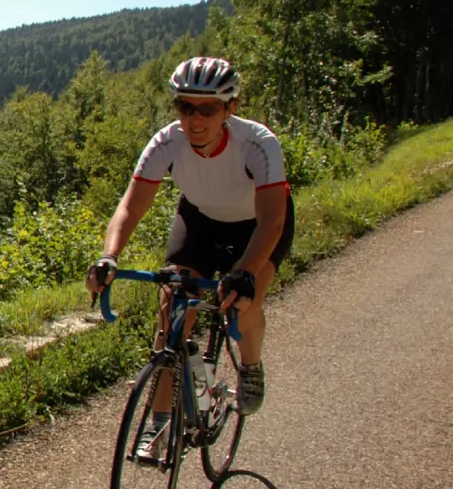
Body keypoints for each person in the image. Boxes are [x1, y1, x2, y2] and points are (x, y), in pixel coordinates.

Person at [84, 56, 295, 460]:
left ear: (230, 108)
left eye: (208, 109)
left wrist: (245, 274)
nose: (195, 119)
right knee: (173, 310)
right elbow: (130, 207)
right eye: (185, 107)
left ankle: (250, 366)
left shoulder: (258, 143)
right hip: (200, 219)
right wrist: (109, 256)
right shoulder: (167, 142)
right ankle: (160, 423)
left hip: (258, 225)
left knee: (245, 301)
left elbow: (273, 221)